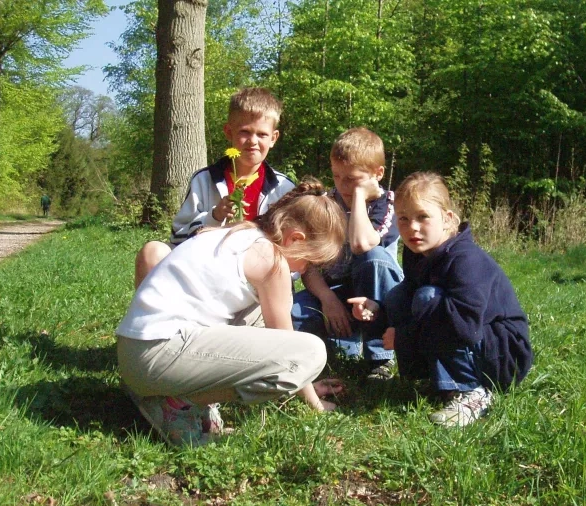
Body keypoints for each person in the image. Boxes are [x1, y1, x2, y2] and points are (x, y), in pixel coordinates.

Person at [116, 179, 347, 447]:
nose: (305, 269)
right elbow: (288, 345)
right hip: (158, 356)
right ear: (295, 239)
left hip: (134, 353)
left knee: (260, 316)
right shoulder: (272, 261)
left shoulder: (237, 234)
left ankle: (154, 392)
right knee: (311, 353)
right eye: (309, 261)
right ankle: (176, 405)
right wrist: (314, 402)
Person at [349, 172, 533, 427]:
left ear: (447, 219)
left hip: (504, 354)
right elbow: (408, 306)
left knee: (427, 297)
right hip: (476, 341)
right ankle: (441, 382)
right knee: (401, 295)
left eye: (423, 217)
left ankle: (473, 392)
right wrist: (377, 311)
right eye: (403, 218)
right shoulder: (419, 253)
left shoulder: (465, 260)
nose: (412, 227)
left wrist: (403, 339)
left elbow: (464, 326)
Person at [134, 87, 295, 288]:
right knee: (152, 251)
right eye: (245, 132)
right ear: (229, 132)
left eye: (262, 134)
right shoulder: (205, 180)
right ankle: (149, 317)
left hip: (254, 286)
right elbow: (178, 237)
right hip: (204, 274)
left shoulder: (283, 188)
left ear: (273, 138)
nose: (253, 142)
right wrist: (215, 216)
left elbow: (295, 252)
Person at [291, 127, 403, 380]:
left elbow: (362, 244)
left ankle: (380, 358)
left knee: (373, 258)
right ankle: (328, 356)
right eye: (337, 176)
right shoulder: (326, 204)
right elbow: (306, 264)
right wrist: (327, 299)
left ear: (378, 174)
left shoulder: (388, 203)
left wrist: (360, 197)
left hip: (379, 298)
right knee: (293, 313)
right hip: (337, 293)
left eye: (352, 179)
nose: (342, 185)